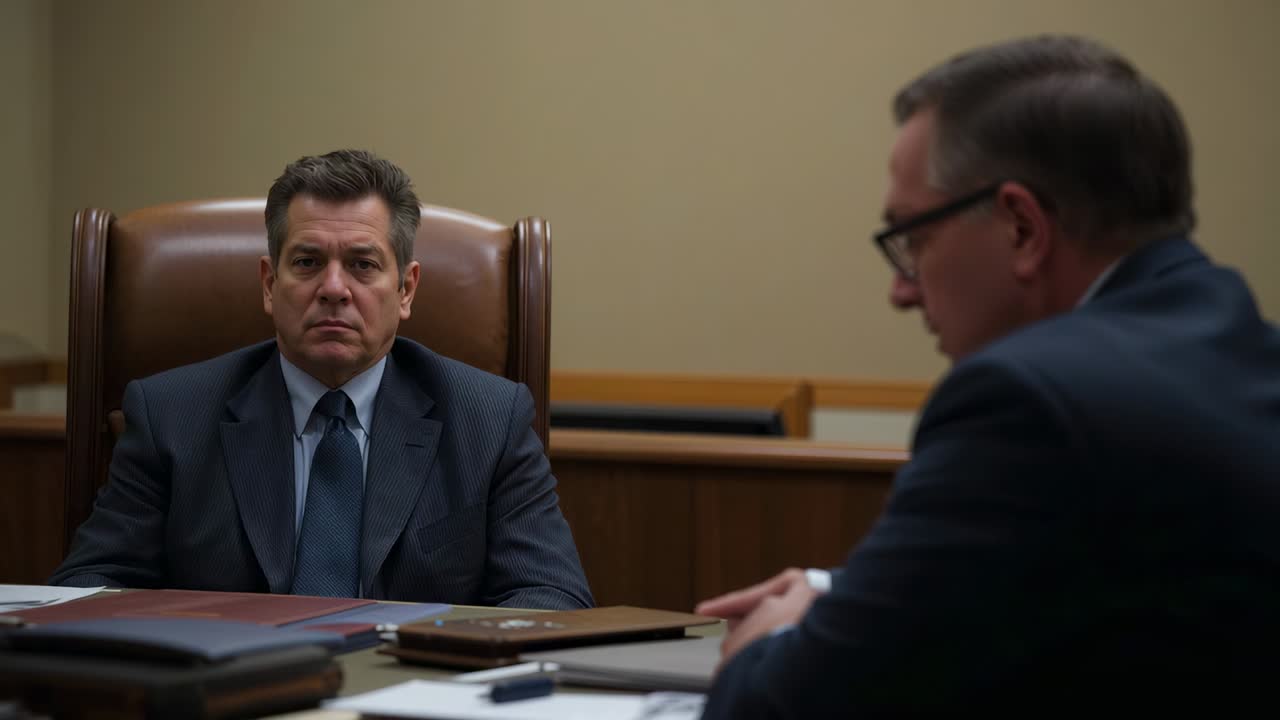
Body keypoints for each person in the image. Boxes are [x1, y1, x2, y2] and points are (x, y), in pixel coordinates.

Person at [696, 35, 1280, 716]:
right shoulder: (1240, 349)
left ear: (1022, 229)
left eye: (913, 238)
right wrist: (833, 592)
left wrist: (777, 637)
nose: (901, 292)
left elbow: (782, 707)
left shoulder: (1030, 400)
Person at [50, 149, 594, 610]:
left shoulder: (488, 419)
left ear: (406, 290)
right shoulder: (171, 414)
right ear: (270, 284)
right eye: (308, 262)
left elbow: (550, 597)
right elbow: (90, 588)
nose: (334, 288)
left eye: (362, 264)